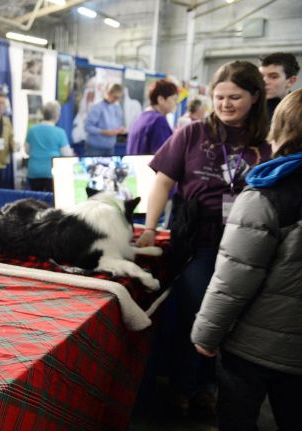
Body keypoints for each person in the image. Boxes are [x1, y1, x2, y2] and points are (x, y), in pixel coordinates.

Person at [136, 60, 271, 416]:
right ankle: (186, 385)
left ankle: (213, 389)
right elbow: (163, 181)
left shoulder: (268, 138)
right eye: (219, 97)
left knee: (236, 319)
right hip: (200, 239)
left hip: (252, 241)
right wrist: (150, 227)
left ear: (255, 97)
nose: (225, 104)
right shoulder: (193, 133)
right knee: (198, 311)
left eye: (235, 97)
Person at [191, 88, 302, 431]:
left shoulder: (268, 193)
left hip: (253, 348)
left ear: (281, 127)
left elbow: (234, 278)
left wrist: (206, 334)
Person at [24, 100, 73, 192]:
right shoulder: (60, 133)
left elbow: (27, 151)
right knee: (51, 200)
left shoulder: (32, 130)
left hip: (34, 172)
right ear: (57, 116)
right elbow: (67, 155)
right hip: (52, 173)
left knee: (35, 201)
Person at [126, 79, 178, 155]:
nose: (176, 103)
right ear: (161, 99)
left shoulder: (139, 117)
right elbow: (163, 157)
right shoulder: (158, 121)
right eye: (174, 99)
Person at [84, 83, 125, 156]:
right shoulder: (97, 107)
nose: (116, 100)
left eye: (118, 98)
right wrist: (103, 132)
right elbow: (87, 127)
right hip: (95, 147)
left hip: (110, 147)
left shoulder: (117, 107)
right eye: (115, 97)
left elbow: (119, 123)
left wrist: (120, 129)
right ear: (108, 93)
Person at [259, 52, 299, 119]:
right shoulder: (249, 109)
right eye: (260, 76)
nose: (264, 82)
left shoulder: (298, 110)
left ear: (291, 81)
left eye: (273, 77)